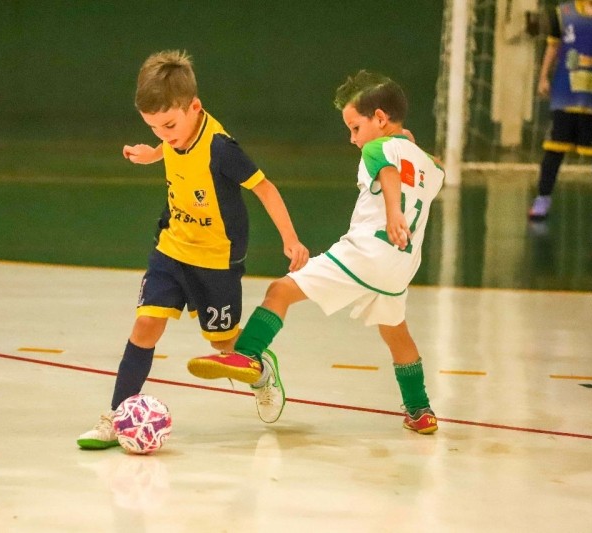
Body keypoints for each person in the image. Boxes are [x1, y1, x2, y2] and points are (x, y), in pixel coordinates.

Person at [187, 70, 445, 434]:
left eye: (355, 127)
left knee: (281, 291)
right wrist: (409, 143)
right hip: (400, 266)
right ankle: (421, 410)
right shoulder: (431, 167)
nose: (352, 139)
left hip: (367, 252)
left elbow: (387, 172)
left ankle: (246, 354)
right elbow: (428, 166)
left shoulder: (376, 149)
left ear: (381, 119)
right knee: (395, 332)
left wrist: (393, 212)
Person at [77, 50, 309, 449]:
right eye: (154, 128)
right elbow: (171, 149)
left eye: (169, 125)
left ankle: (262, 372)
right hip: (172, 248)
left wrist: (291, 239)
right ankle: (117, 417)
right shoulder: (174, 136)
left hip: (216, 262)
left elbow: (265, 188)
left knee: (224, 347)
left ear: (195, 108)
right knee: (146, 326)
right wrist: (152, 153)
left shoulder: (221, 148)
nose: (164, 134)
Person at [529, 0, 592, 221]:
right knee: (553, 151)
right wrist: (543, 76)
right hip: (566, 94)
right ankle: (543, 198)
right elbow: (553, 47)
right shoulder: (563, 13)